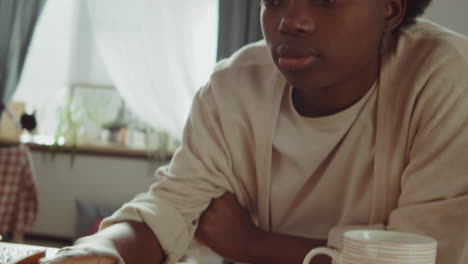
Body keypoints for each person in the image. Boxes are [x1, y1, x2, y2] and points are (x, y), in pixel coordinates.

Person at [41, 0, 468, 263]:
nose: (290, 21)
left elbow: (425, 256)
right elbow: (171, 207)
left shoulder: (444, 78)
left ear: (390, 9)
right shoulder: (233, 87)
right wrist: (103, 250)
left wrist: (255, 246)